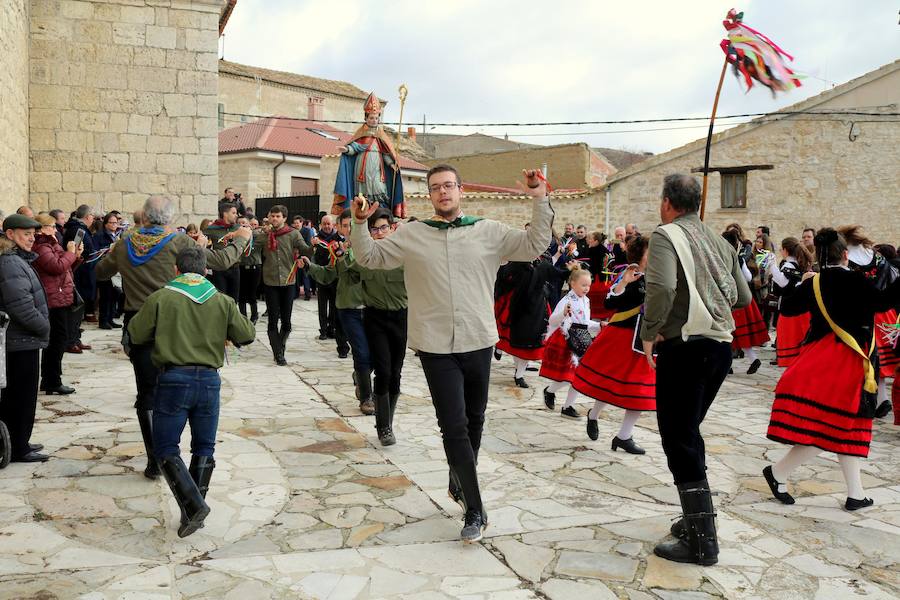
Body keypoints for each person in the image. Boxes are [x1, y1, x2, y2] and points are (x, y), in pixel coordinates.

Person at [350, 164, 552, 543]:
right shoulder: (413, 234)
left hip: (478, 340)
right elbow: (370, 258)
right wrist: (359, 225)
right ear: (430, 196)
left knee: (475, 419)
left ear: (460, 190)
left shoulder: (488, 231)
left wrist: (539, 196)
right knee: (453, 424)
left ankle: (459, 479)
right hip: (435, 346)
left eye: (448, 186)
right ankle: (475, 509)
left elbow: (535, 244)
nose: (443, 192)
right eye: (435, 188)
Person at [96, 195, 251, 480]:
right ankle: (174, 456)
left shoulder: (125, 242)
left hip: (137, 324)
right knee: (177, 387)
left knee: (147, 394)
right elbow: (221, 260)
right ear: (169, 218)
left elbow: (101, 272)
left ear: (144, 216)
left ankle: (156, 460)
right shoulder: (178, 242)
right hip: (174, 318)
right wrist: (241, 238)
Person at [640, 173, 751, 566]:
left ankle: (703, 543)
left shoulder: (665, 235)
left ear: (668, 202)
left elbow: (663, 288)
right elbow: (743, 295)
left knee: (679, 437)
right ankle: (695, 520)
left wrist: (651, 332)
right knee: (688, 432)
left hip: (684, 348)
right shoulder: (719, 241)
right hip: (720, 348)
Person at [763, 228, 900, 512]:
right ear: (846, 255)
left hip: (819, 359)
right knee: (834, 427)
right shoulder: (857, 281)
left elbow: (786, 309)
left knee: (846, 428)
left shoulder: (815, 283)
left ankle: (856, 493)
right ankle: (778, 473)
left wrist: (803, 283)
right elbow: (885, 301)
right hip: (849, 362)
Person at [128, 247, 256, 537]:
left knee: (165, 448)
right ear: (205, 270)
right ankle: (193, 508)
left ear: (176, 270)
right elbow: (246, 335)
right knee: (204, 448)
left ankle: (194, 506)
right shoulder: (221, 300)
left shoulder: (161, 297)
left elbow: (136, 334)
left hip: (173, 380)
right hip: (209, 382)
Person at [573, 235, 655, 453]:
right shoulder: (630, 273)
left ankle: (624, 436)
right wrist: (625, 283)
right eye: (651, 250)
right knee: (610, 383)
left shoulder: (660, 275)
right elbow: (610, 302)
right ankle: (594, 414)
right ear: (640, 254)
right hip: (621, 337)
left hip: (645, 340)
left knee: (639, 390)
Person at [302, 210, 374, 414]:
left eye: (354, 225)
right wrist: (310, 266)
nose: (350, 229)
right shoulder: (338, 250)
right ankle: (366, 397)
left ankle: (361, 377)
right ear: (339, 228)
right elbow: (328, 275)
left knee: (375, 354)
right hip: (349, 308)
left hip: (374, 307)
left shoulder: (373, 249)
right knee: (360, 352)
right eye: (345, 226)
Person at [0, 214, 50, 462]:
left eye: (33, 234)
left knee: (22, 396)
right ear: (10, 234)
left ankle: (21, 442)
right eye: (26, 233)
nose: (32, 238)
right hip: (19, 341)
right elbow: (20, 306)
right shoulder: (10, 263)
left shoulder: (16, 259)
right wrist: (44, 327)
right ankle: (18, 447)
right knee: (20, 398)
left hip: (22, 340)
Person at [360, 208, 409, 445]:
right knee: (384, 370)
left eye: (383, 228)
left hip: (401, 318)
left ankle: (387, 418)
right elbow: (337, 273)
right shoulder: (363, 257)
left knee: (396, 373)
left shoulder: (406, 257)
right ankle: (384, 427)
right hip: (374, 317)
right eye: (374, 229)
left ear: (392, 228)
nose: (379, 233)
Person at [251, 205, 315, 366]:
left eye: (278, 216)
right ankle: (278, 352)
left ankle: (280, 345)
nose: (275, 219)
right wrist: (255, 233)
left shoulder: (293, 234)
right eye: (272, 216)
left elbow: (306, 251)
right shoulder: (265, 235)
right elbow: (251, 250)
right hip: (270, 281)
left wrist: (313, 245)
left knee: (286, 321)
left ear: (284, 218)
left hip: (288, 281)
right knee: (272, 320)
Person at [539, 265, 602, 418]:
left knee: (578, 376)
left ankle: (567, 406)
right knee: (569, 376)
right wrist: (563, 314)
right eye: (583, 285)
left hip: (582, 340)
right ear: (573, 284)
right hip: (566, 339)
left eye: (588, 285)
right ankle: (550, 391)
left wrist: (599, 325)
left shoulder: (586, 300)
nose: (587, 288)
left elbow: (585, 321)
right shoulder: (566, 300)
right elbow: (553, 320)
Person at [332, 91, 406, 218]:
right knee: (363, 191)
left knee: (379, 188)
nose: (374, 120)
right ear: (366, 118)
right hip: (362, 167)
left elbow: (385, 153)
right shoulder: (361, 133)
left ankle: (381, 212)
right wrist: (346, 150)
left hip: (378, 167)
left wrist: (391, 164)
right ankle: (363, 211)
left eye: (376, 118)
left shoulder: (381, 136)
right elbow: (355, 147)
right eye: (371, 117)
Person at [33, 214, 81, 396]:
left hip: (60, 296)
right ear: (42, 228)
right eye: (52, 226)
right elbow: (57, 267)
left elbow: (66, 268)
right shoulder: (42, 246)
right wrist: (69, 252)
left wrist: (75, 256)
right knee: (56, 340)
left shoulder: (52, 244)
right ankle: (52, 380)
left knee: (58, 339)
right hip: (53, 299)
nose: (55, 229)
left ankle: (51, 379)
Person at [494, 257, 554, 388]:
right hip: (516, 306)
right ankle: (502, 351)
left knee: (529, 342)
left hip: (536, 307)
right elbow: (503, 280)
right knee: (513, 338)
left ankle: (519, 374)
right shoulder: (514, 264)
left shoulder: (541, 262)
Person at [723, 229, 769, 374]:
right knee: (739, 333)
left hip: (731, 300)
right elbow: (748, 278)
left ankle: (728, 365)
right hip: (741, 297)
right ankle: (752, 359)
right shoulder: (739, 259)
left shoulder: (721, 258)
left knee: (729, 333)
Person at [767, 237, 814, 367]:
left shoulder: (788, 265)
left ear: (786, 250)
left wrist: (771, 265)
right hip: (803, 310)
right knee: (801, 347)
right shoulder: (801, 264)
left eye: (782, 249)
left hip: (790, 311)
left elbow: (783, 283)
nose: (781, 252)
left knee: (790, 348)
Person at [313, 215, 349, 357]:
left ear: (333, 225)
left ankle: (331, 328)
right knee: (322, 305)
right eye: (324, 224)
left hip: (336, 278)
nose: (327, 226)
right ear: (321, 225)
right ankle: (322, 330)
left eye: (329, 224)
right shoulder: (316, 239)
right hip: (322, 276)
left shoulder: (338, 239)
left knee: (334, 306)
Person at [63, 205, 98, 329]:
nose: (93, 219)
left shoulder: (79, 228)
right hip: (80, 272)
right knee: (77, 304)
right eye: (93, 216)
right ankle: (73, 336)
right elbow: (75, 253)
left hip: (84, 270)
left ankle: (75, 335)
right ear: (88, 217)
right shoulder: (77, 230)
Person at [203, 201, 243, 301]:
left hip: (235, 267)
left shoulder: (238, 228)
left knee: (234, 299)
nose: (236, 215)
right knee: (221, 299)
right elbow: (204, 244)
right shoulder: (211, 229)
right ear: (225, 214)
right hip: (219, 269)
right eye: (233, 213)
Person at [94, 212, 122, 329]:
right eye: (111, 222)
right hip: (104, 268)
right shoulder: (100, 235)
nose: (114, 225)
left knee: (113, 294)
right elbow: (96, 250)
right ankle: (103, 320)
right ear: (105, 224)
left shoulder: (116, 235)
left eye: (116, 222)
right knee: (105, 296)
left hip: (114, 269)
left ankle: (110, 319)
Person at [237, 217, 263, 323]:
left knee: (252, 293)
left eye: (244, 223)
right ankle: (243, 317)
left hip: (254, 267)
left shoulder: (256, 235)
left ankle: (254, 316)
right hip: (241, 267)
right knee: (241, 295)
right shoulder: (236, 236)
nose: (242, 225)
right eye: (239, 223)